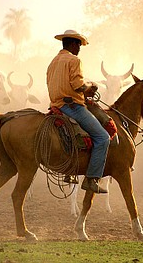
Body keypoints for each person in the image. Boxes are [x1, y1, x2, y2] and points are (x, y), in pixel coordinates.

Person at [46, 30, 110, 194]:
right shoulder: (74, 60)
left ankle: (73, 169)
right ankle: (91, 179)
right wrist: (89, 89)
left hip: (56, 105)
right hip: (72, 106)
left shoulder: (53, 62)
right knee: (102, 137)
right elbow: (76, 85)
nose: (79, 49)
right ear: (73, 44)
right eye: (79, 45)